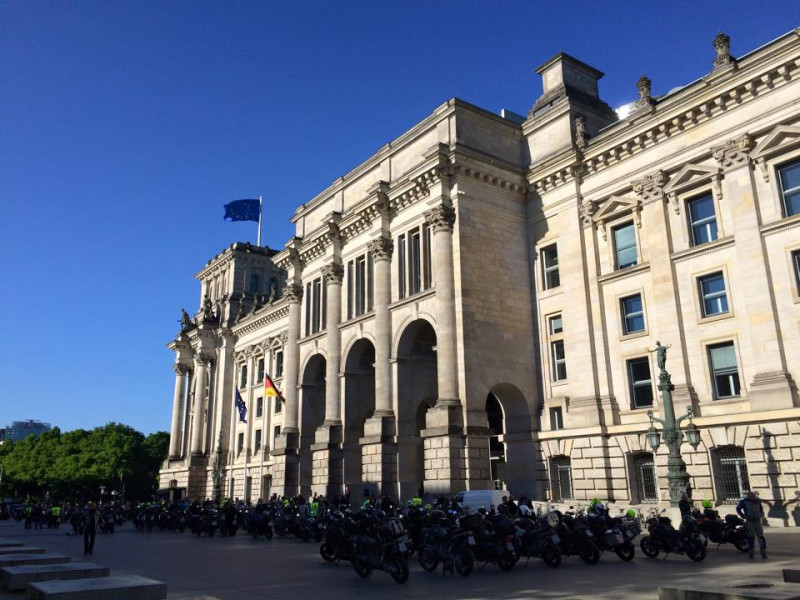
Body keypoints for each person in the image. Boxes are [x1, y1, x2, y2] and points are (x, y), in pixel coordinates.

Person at [737, 491, 767, 559]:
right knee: (751, 537)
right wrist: (744, 516)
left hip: (757, 521)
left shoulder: (758, 501)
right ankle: (751, 551)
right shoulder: (744, 501)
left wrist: (761, 515)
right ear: (748, 496)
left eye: (753, 496)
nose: (752, 497)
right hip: (750, 521)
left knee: (761, 537)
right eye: (751, 496)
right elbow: (738, 509)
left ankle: (763, 551)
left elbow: (761, 509)